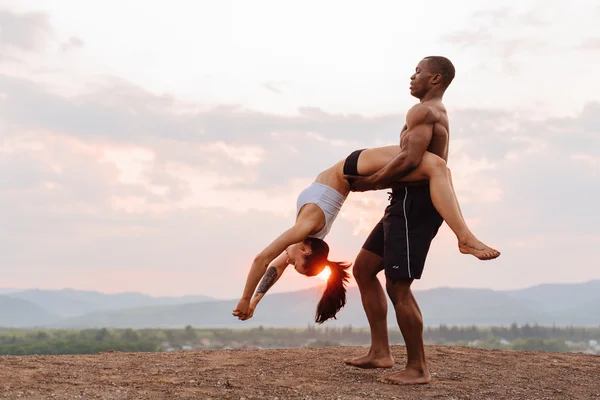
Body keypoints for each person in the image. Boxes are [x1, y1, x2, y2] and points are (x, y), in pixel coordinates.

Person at [232, 64, 500, 324]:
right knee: (437, 167)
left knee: (435, 166)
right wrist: (254, 302)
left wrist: (245, 299)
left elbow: (262, 258)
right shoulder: (307, 235)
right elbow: (273, 269)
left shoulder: (307, 228)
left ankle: (465, 238)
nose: (287, 262)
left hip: (353, 166)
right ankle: (463, 236)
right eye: (295, 264)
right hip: (354, 171)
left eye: (293, 263)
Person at [342, 56, 477, 386]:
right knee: (362, 268)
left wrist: (369, 182)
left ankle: (418, 367)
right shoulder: (429, 112)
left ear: (435, 79)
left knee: (398, 284)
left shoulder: (424, 111)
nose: (412, 76)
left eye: (419, 72)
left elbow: (409, 158)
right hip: (401, 203)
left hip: (415, 205)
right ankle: (380, 352)